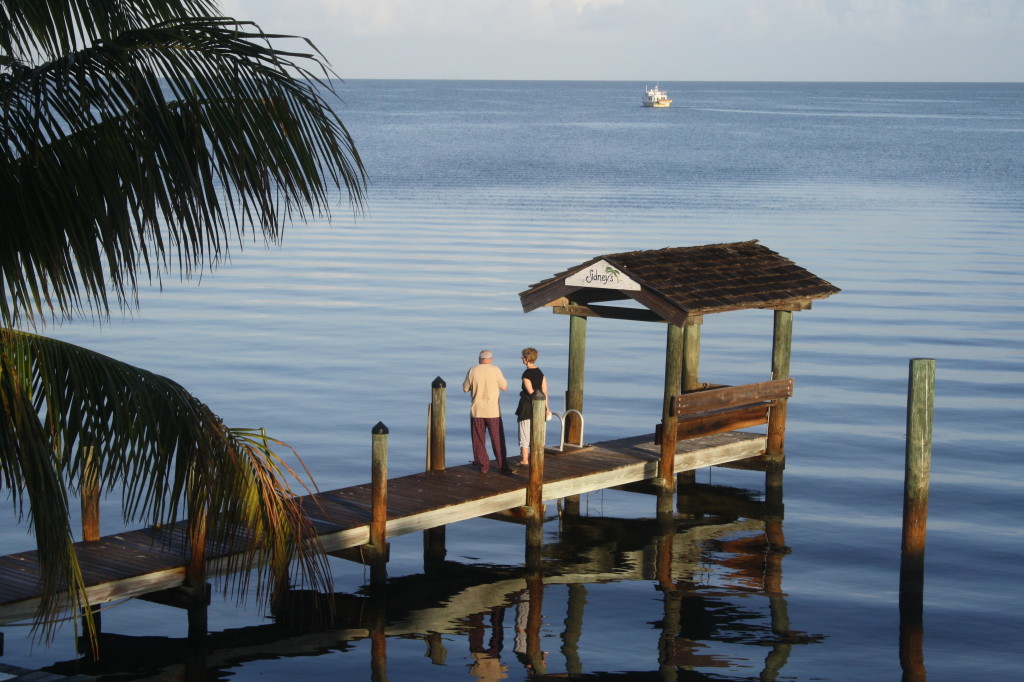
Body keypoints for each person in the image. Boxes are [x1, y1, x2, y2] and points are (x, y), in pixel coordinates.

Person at [463, 350, 512, 474]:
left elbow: (465, 388)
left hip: (477, 411)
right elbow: (505, 386)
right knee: (497, 439)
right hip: (493, 411)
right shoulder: (495, 370)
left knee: (479, 440)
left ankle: (483, 466)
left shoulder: (473, 370)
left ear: (479, 359)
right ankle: (503, 467)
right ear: (490, 359)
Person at [515, 347, 550, 467]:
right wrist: (547, 408)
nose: (522, 359)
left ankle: (525, 458)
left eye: (522, 357)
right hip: (540, 407)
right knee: (538, 431)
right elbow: (545, 391)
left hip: (527, 406)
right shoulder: (540, 373)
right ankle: (537, 455)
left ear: (526, 359)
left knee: (524, 432)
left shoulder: (526, 374)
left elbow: (530, 391)